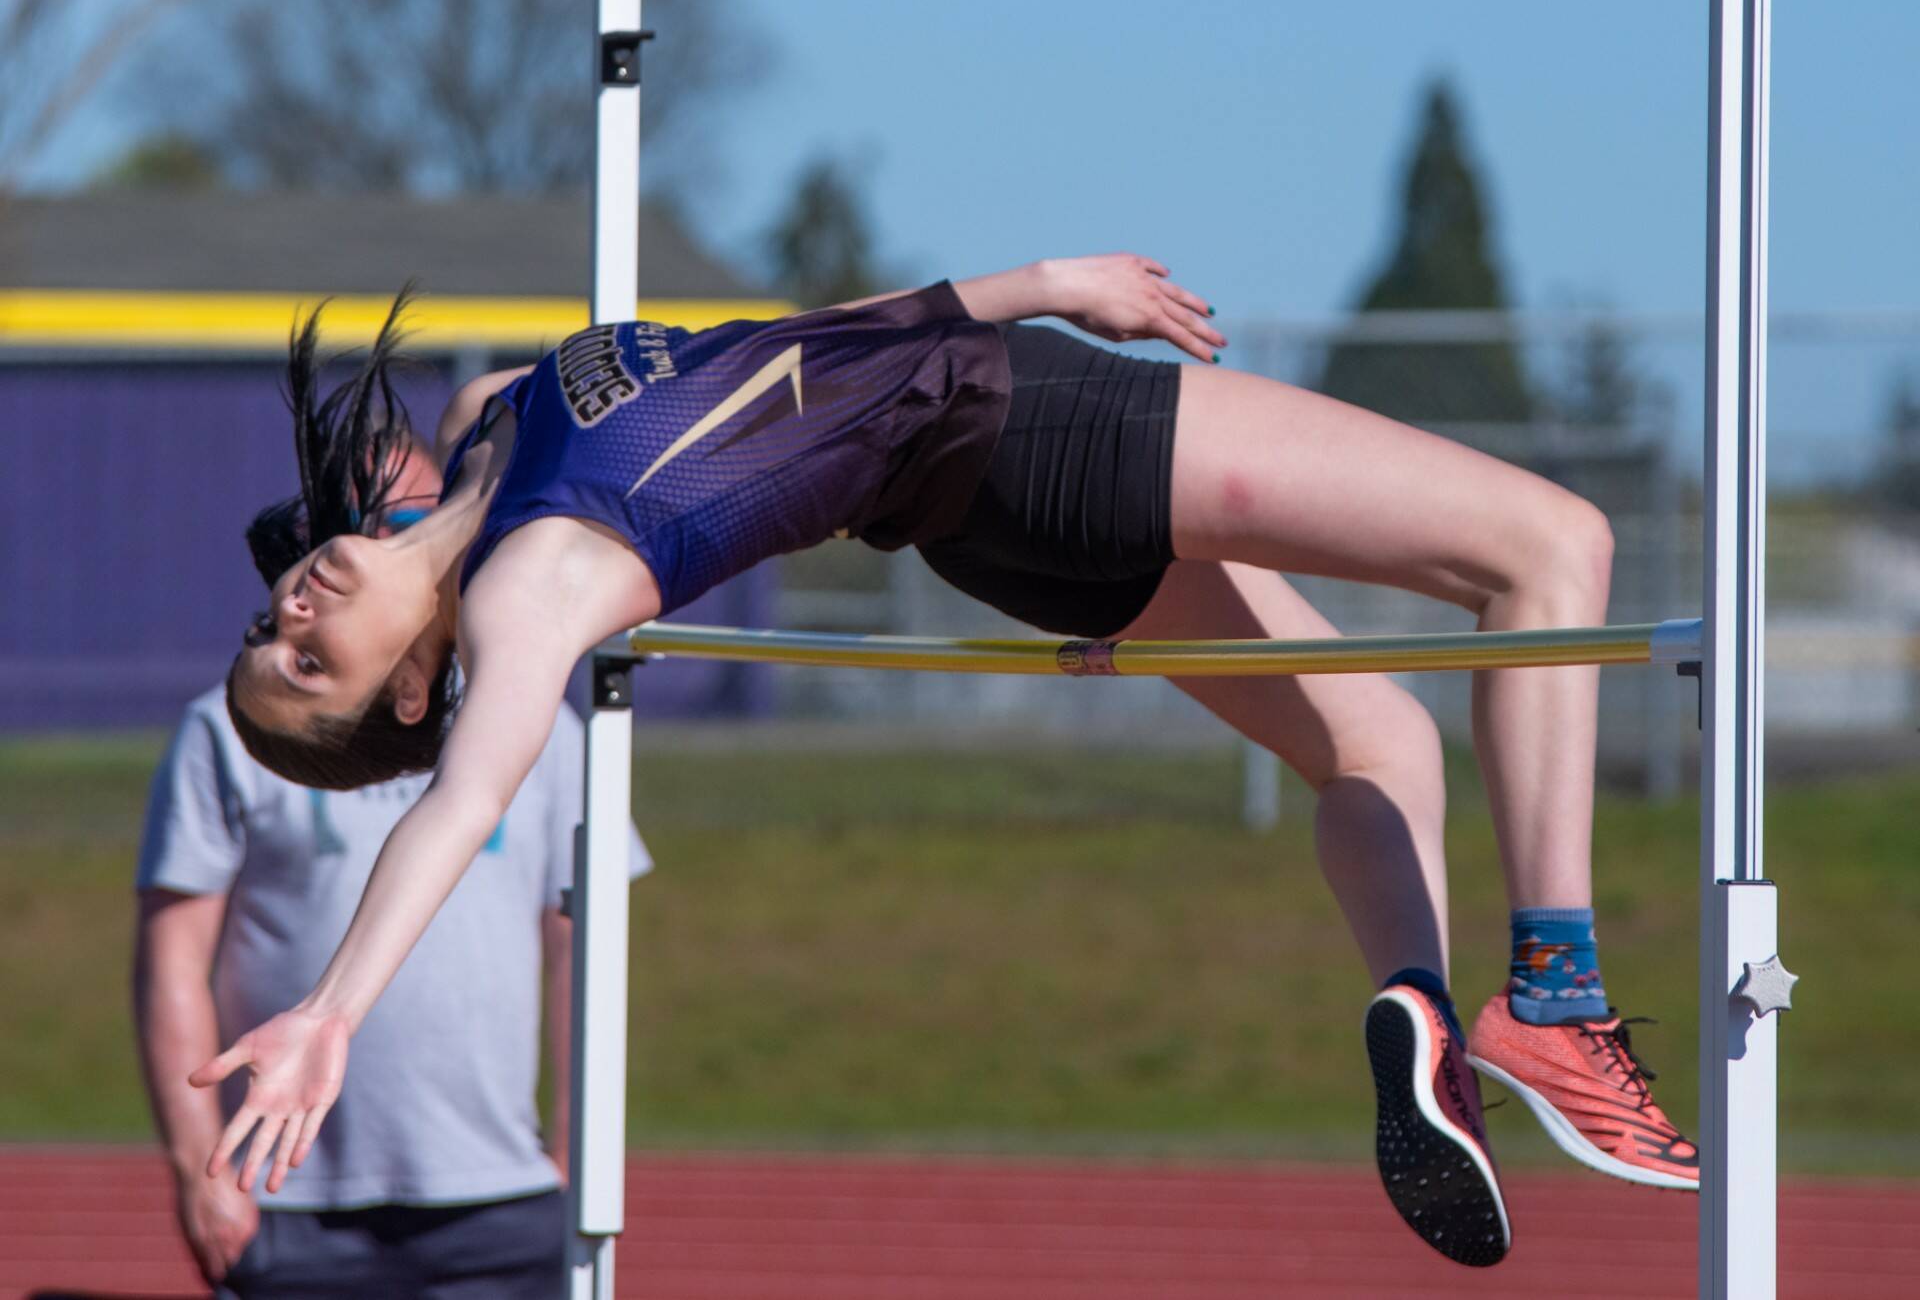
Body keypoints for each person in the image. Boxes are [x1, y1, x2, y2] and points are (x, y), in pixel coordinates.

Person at [206, 255, 1696, 1270]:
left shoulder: (482, 428)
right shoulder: (535, 591)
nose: (292, 613)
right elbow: (466, 801)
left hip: (987, 515)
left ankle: (1420, 1010)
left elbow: (778, 353)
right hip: (1037, 432)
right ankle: (1558, 994)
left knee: (1372, 731)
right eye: (307, 665)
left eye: (267, 626)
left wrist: (1031, 285)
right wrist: (332, 1011)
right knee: (1550, 545)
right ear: (416, 687)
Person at [135, 436, 650, 1297]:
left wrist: (575, 1148)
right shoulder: (231, 728)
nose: (394, 546)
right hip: (289, 1192)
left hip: (498, 1185)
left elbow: (580, 945)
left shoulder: (539, 721)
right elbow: (172, 961)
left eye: (419, 518)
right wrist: (201, 1166)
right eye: (368, 524)